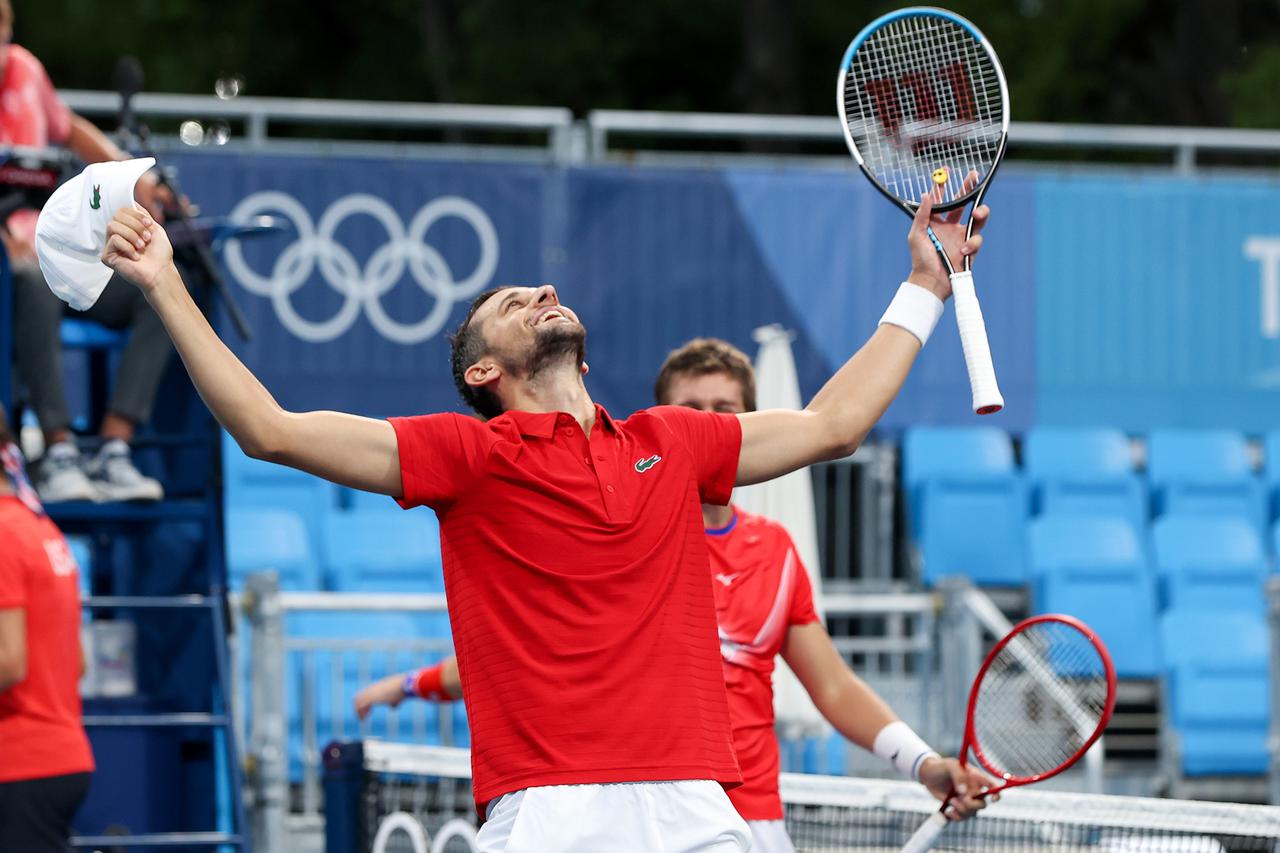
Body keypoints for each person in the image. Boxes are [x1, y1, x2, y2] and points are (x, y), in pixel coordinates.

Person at [89, 171, 987, 851]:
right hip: (548, 809)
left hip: (696, 801)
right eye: (516, 304)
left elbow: (834, 424)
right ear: (486, 372)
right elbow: (269, 429)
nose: (542, 294)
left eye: (544, 290)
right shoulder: (466, 455)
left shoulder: (674, 440)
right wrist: (166, 283)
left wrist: (926, 284)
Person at [355, 338, 996, 852]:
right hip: (584, 805)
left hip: (728, 818)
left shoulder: (773, 551)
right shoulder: (595, 522)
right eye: (696, 409)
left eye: (727, 410)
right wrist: (410, 684)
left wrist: (919, 762)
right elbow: (525, 655)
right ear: (663, 414)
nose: (711, 421)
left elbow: (831, 687)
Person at [1, 0, 178, 502]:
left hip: (60, 258)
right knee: (31, 279)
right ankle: (58, 452)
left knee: (157, 288)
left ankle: (113, 450)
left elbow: (69, 127)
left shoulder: (27, 71)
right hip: (12, 275)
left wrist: (130, 172)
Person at [0, 402, 95, 851]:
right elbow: (75, 662)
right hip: (62, 758)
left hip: (19, 766)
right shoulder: (41, 528)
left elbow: (8, 662)